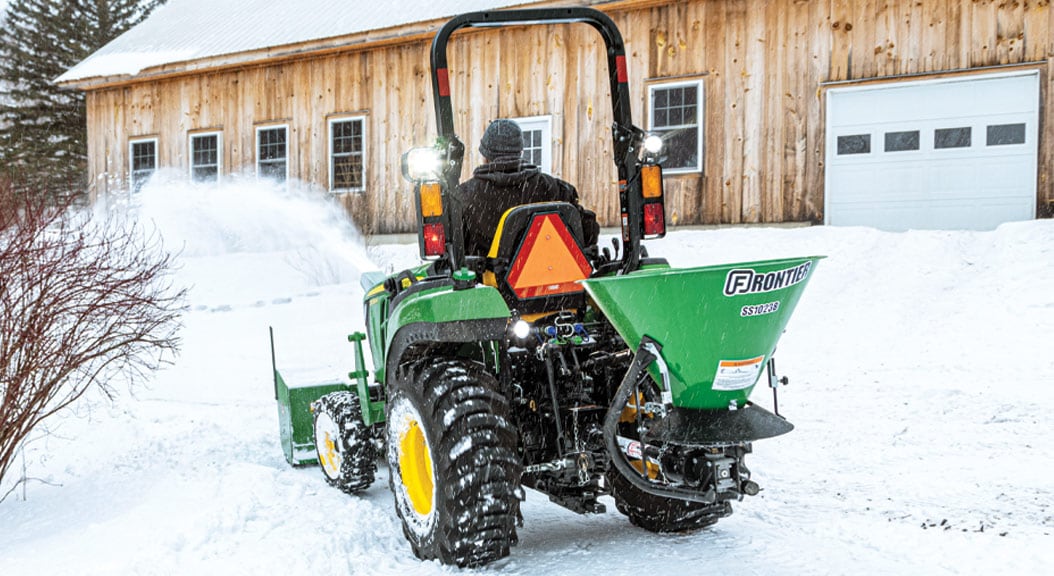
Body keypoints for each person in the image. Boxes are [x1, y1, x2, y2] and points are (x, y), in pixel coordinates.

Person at [454, 119, 598, 257]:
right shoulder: (555, 189)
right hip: (547, 275)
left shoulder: (464, 197)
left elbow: (457, 250)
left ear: (485, 155)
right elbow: (588, 232)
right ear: (520, 151)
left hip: (490, 281)